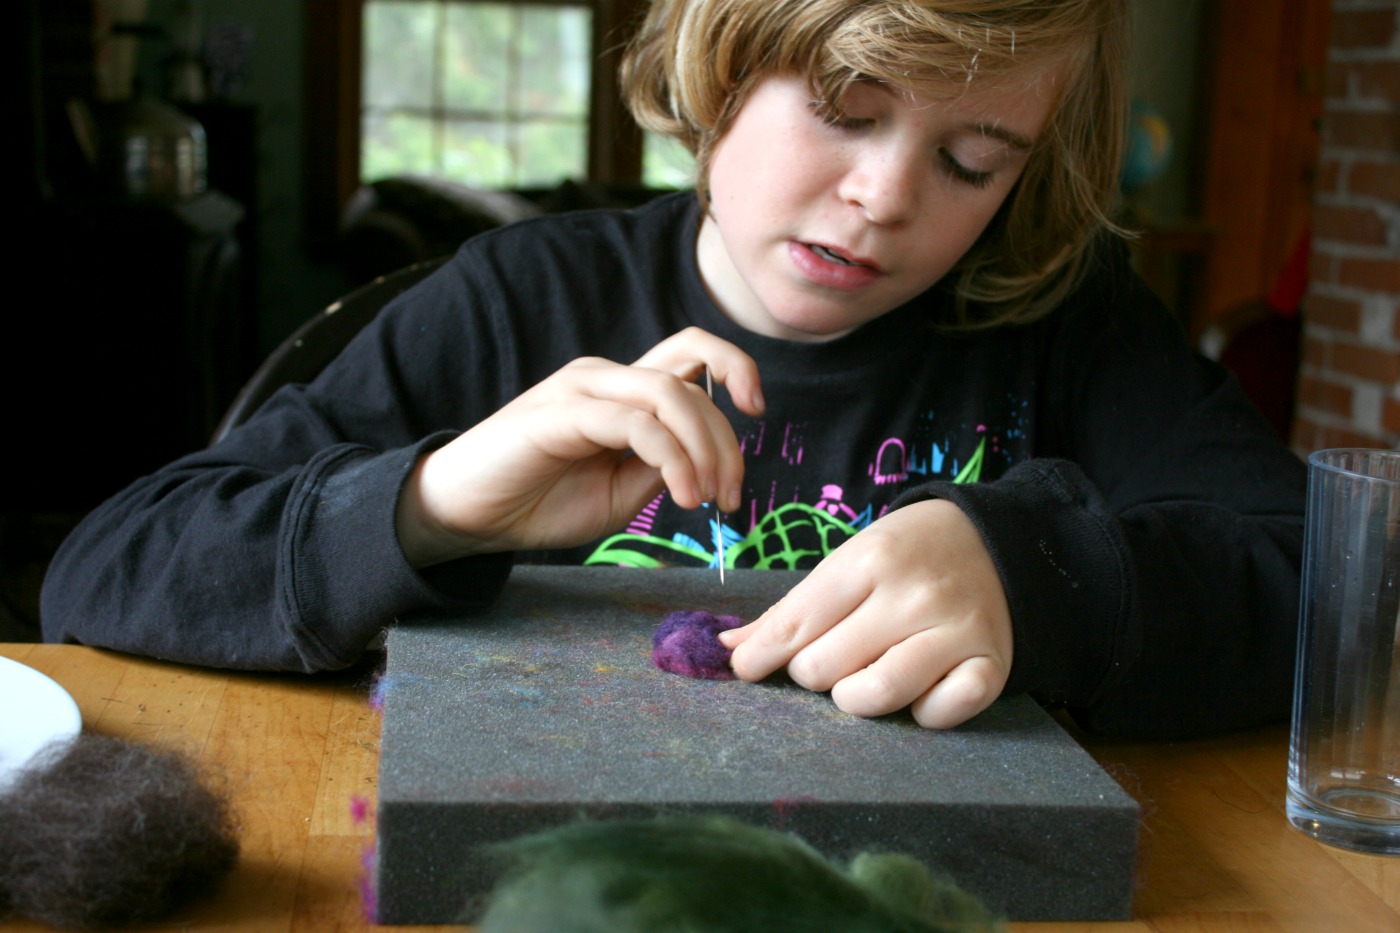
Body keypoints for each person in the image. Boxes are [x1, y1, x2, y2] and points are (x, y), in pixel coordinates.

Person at [41, 0, 1305, 738]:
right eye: (843, 111)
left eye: (973, 162)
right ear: (720, 64)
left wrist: (1038, 571)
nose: (882, 196)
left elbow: (1326, 580)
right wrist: (430, 504)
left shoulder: (1064, 322)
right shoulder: (512, 300)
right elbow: (106, 571)